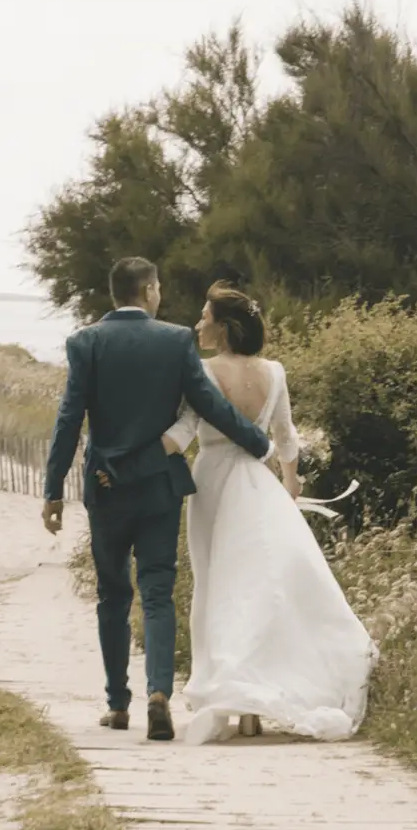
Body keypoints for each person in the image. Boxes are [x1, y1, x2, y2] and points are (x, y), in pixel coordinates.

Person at [42, 257, 272, 741]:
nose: (160, 293)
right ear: (147, 290)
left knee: (112, 595)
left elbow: (69, 418)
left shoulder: (86, 342)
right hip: (160, 488)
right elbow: (208, 406)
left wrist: (53, 489)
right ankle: (159, 694)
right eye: (159, 287)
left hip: (105, 487)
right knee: (158, 592)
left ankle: (118, 704)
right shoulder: (174, 340)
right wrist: (258, 443)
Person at [161, 282, 376, 744]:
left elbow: (186, 428)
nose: (198, 323)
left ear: (222, 327)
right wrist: (290, 482)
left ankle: (238, 695)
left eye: (204, 316)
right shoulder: (274, 372)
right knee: (258, 586)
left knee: (217, 583)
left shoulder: (202, 371)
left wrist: (142, 451)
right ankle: (252, 704)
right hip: (258, 484)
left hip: (213, 481)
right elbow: (285, 435)